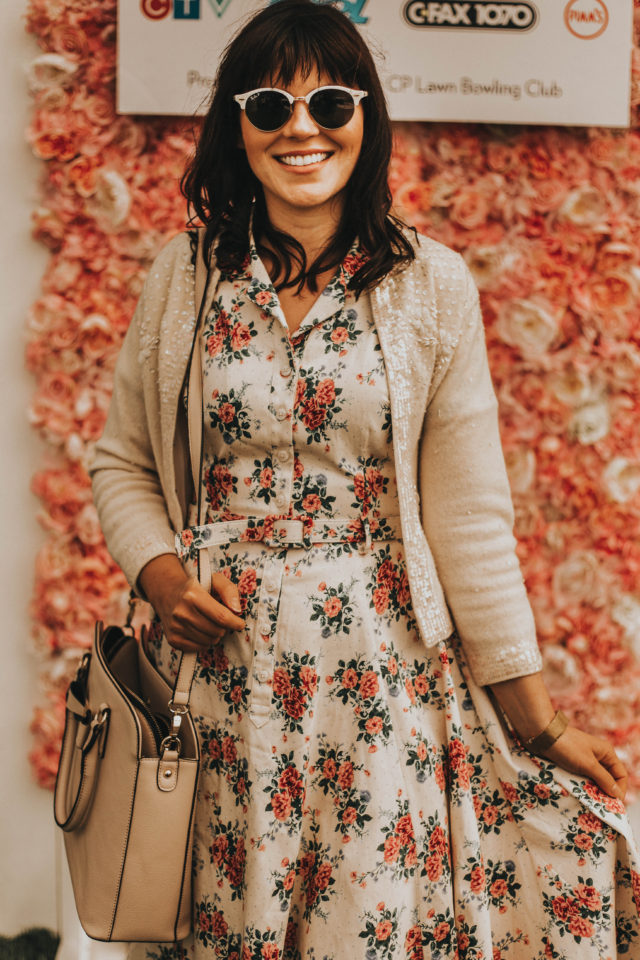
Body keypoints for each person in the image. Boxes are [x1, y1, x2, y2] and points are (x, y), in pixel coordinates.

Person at [89, 1, 640, 957]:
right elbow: (122, 463)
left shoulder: (431, 284)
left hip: (380, 689)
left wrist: (540, 726)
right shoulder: (183, 278)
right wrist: (164, 580)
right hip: (218, 693)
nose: (301, 129)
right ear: (237, 126)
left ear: (366, 120)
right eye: (270, 107)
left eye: (330, 104)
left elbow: (468, 518)